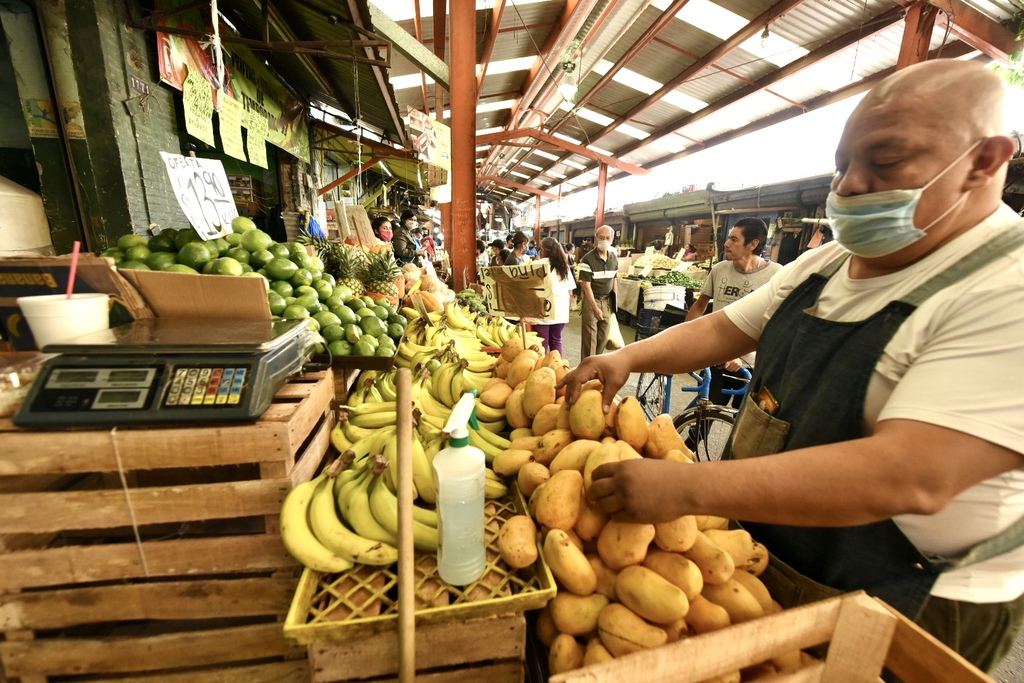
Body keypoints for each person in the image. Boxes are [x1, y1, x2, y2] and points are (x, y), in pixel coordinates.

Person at [558, 59, 1024, 672]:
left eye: (883, 161)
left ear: (986, 161)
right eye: (842, 165)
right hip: (767, 549)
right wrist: (625, 355)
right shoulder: (826, 263)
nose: (848, 186)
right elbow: (725, 328)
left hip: (905, 597)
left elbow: (910, 475)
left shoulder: (1005, 289)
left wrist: (686, 488)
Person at [685, 218, 782, 410]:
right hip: (716, 359)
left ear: (753, 244)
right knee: (700, 418)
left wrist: (742, 354)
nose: (726, 243)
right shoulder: (720, 269)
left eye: (734, 240)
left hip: (753, 367)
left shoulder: (776, 275)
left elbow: (778, 326)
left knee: (743, 426)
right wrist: (685, 338)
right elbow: (700, 306)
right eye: (728, 239)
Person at [577, 225, 619, 359]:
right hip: (592, 301)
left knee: (603, 336)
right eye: (601, 238)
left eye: (607, 238)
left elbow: (614, 280)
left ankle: (596, 364)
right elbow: (586, 286)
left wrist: (614, 303)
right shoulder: (588, 259)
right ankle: (586, 368)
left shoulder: (614, 259)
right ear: (596, 239)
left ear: (612, 239)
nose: (604, 241)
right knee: (590, 338)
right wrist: (595, 308)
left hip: (606, 301)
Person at [532, 238, 576, 354]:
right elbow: (570, 293)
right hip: (561, 311)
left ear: (543, 250)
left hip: (542, 310)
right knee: (556, 341)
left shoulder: (536, 265)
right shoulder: (564, 267)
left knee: (541, 343)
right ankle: (557, 369)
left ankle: (541, 369)